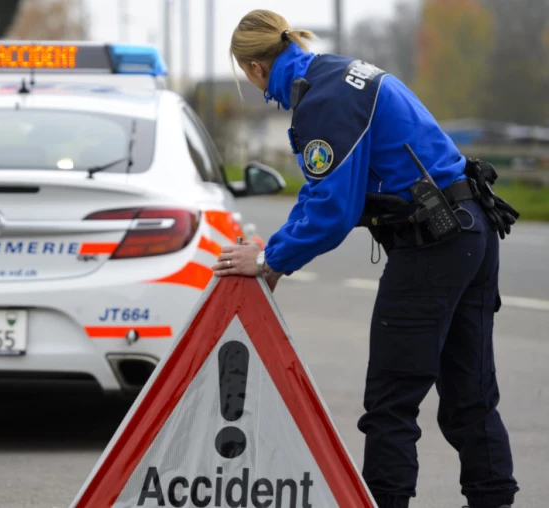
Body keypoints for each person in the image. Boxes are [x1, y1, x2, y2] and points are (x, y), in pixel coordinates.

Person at [214, 9, 520, 508]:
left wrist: (270, 258)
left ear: (252, 68)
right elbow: (323, 191)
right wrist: (276, 256)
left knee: (389, 404)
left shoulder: (323, 100)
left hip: (433, 242)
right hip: (471, 230)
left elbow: (334, 210)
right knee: (470, 399)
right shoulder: (336, 73)